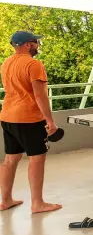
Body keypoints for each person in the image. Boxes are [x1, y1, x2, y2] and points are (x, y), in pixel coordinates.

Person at [0, 31, 62, 213]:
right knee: (37, 158)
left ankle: (5, 200)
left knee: (10, 159)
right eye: (35, 42)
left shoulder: (6, 63)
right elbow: (40, 95)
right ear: (28, 44)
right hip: (29, 119)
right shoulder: (34, 64)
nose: (37, 45)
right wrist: (50, 121)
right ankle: (37, 203)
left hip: (8, 116)